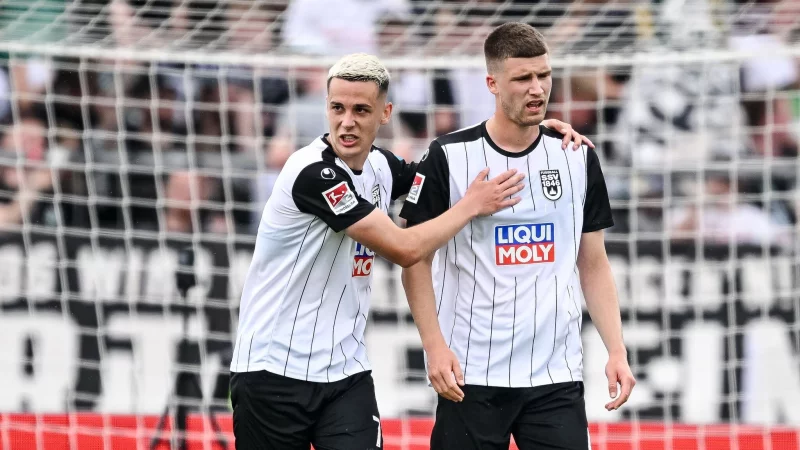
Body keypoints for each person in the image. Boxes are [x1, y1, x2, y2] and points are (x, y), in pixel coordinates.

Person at [228, 52, 594, 450]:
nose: (346, 121)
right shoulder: (314, 174)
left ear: (385, 113)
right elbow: (405, 249)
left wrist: (528, 132)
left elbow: (449, 163)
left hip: (345, 373)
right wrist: (471, 206)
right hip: (272, 372)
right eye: (337, 108)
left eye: (361, 110)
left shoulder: (382, 166)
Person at [399, 22, 636, 450]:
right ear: (491, 83)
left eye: (544, 76)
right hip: (470, 374)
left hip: (555, 377)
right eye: (522, 78)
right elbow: (415, 258)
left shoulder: (576, 156)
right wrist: (433, 347)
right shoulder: (449, 157)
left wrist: (615, 349)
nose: (537, 89)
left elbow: (594, 262)